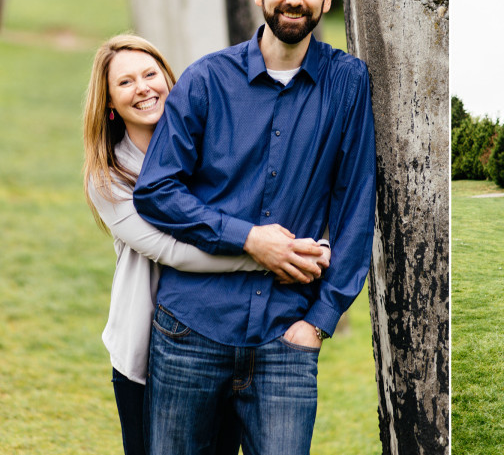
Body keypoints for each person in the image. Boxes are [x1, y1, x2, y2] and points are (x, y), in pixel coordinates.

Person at [133, 0, 376, 455]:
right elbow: (156, 190)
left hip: (286, 334)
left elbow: (356, 205)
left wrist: (320, 322)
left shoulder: (347, 82)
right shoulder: (205, 80)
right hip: (190, 329)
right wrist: (248, 239)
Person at [82, 35, 330, 455]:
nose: (142, 88)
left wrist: (295, 243)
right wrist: (266, 256)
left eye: (149, 74)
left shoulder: (202, 145)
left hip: (222, 329)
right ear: (109, 103)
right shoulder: (108, 178)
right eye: (125, 83)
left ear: (169, 79)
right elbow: (173, 251)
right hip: (149, 347)